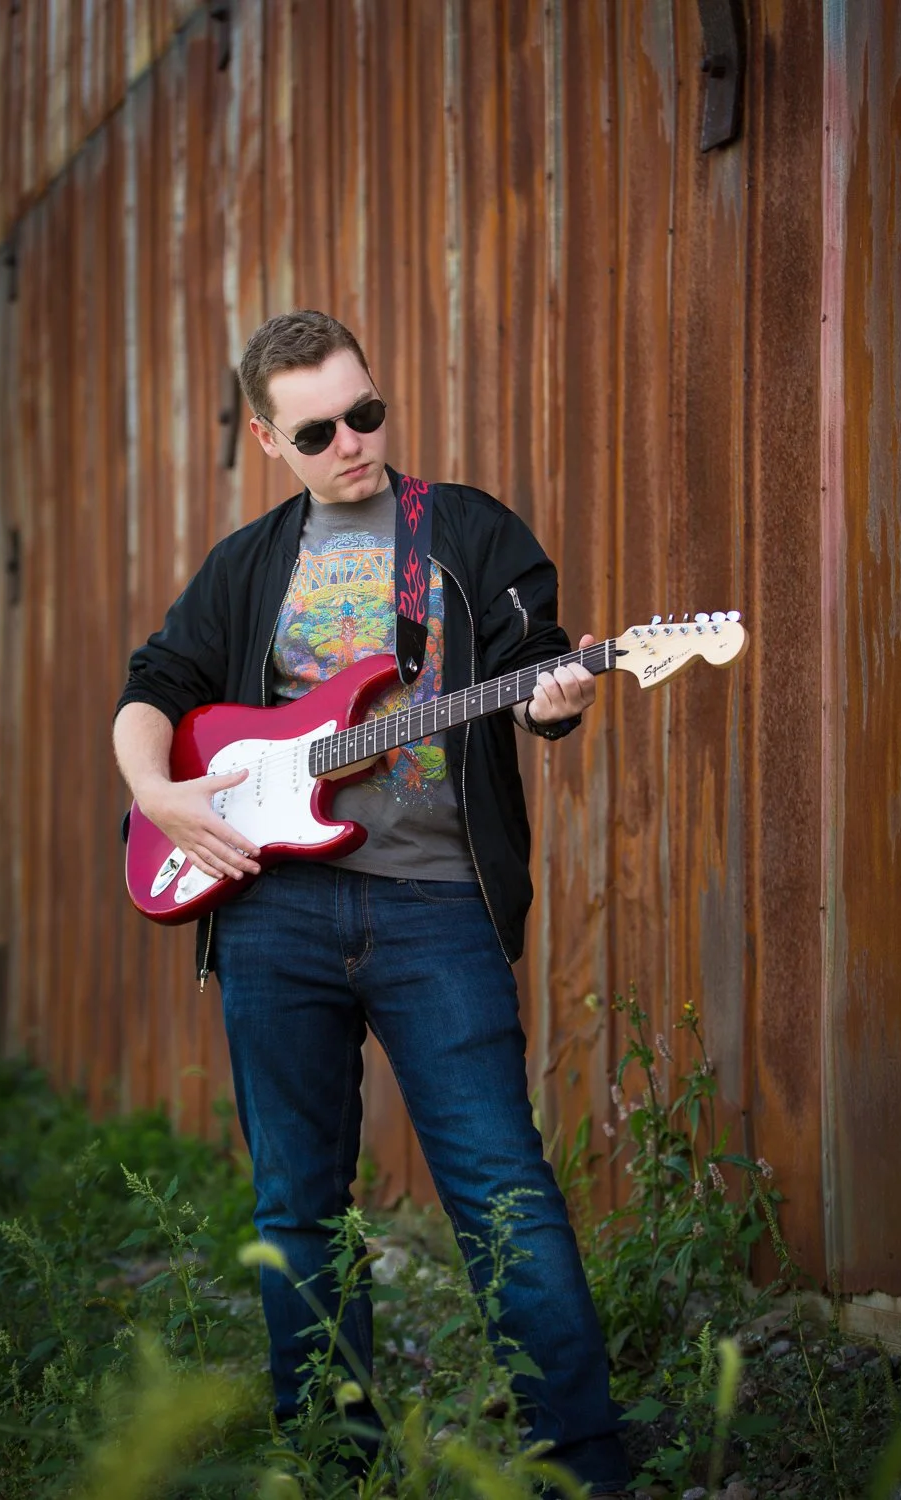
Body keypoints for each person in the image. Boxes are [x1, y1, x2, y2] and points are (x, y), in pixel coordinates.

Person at [112, 310, 631, 1496]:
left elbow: (536, 663)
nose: (351, 441)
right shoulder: (248, 562)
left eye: (366, 412)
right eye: (317, 428)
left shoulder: (463, 530)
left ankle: (587, 1468)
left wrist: (558, 699)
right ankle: (335, 1463)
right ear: (265, 436)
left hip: (435, 908)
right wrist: (161, 791)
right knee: (296, 1204)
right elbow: (153, 689)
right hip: (273, 915)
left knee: (502, 1188)